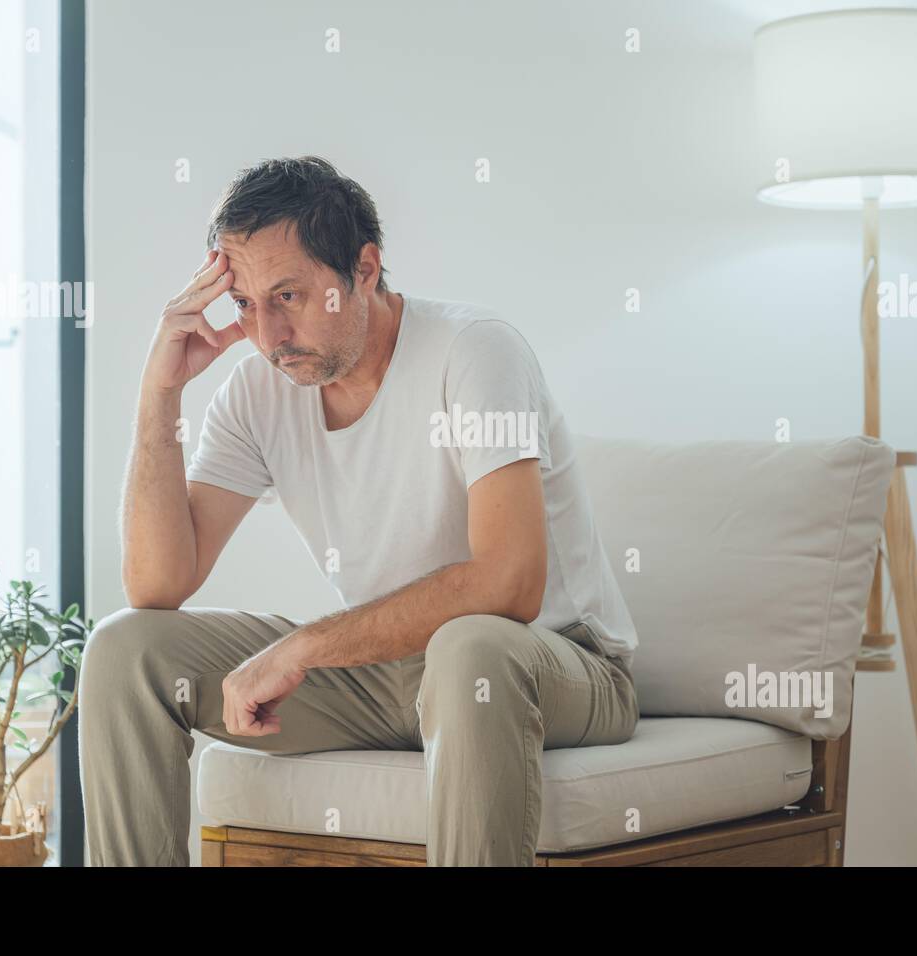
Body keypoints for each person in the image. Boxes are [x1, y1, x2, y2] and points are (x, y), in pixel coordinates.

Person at [78, 156, 638, 866]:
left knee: (471, 647)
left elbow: (509, 584)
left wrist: (301, 648)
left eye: (289, 295)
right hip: (392, 676)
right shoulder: (258, 393)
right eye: (245, 304)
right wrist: (160, 394)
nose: (268, 335)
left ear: (365, 270)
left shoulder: (473, 352)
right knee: (126, 649)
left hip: (550, 665)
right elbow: (156, 586)